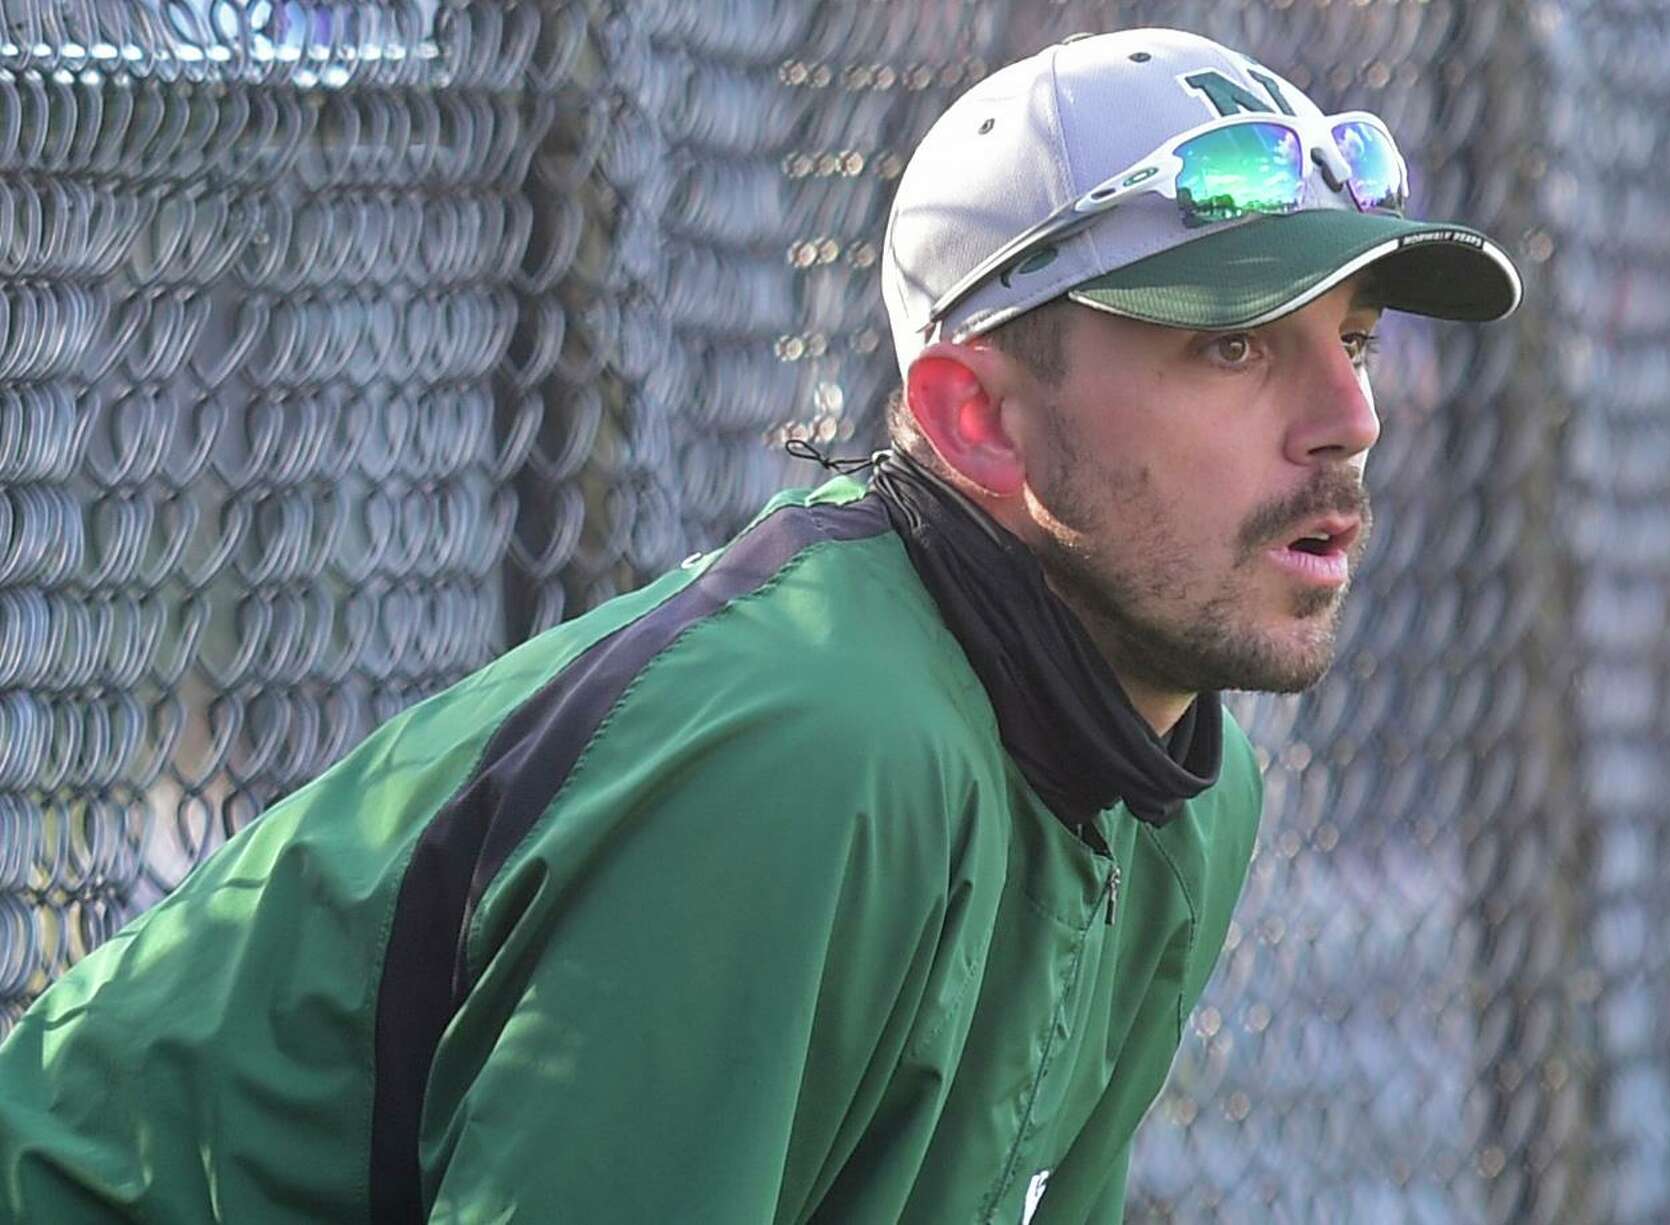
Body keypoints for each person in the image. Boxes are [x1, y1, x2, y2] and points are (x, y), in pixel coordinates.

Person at [0, 26, 1518, 1224]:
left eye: (1356, 339)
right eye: (1234, 345)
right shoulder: (814, 748)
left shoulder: (1188, 782)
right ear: (978, 418)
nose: (1352, 418)